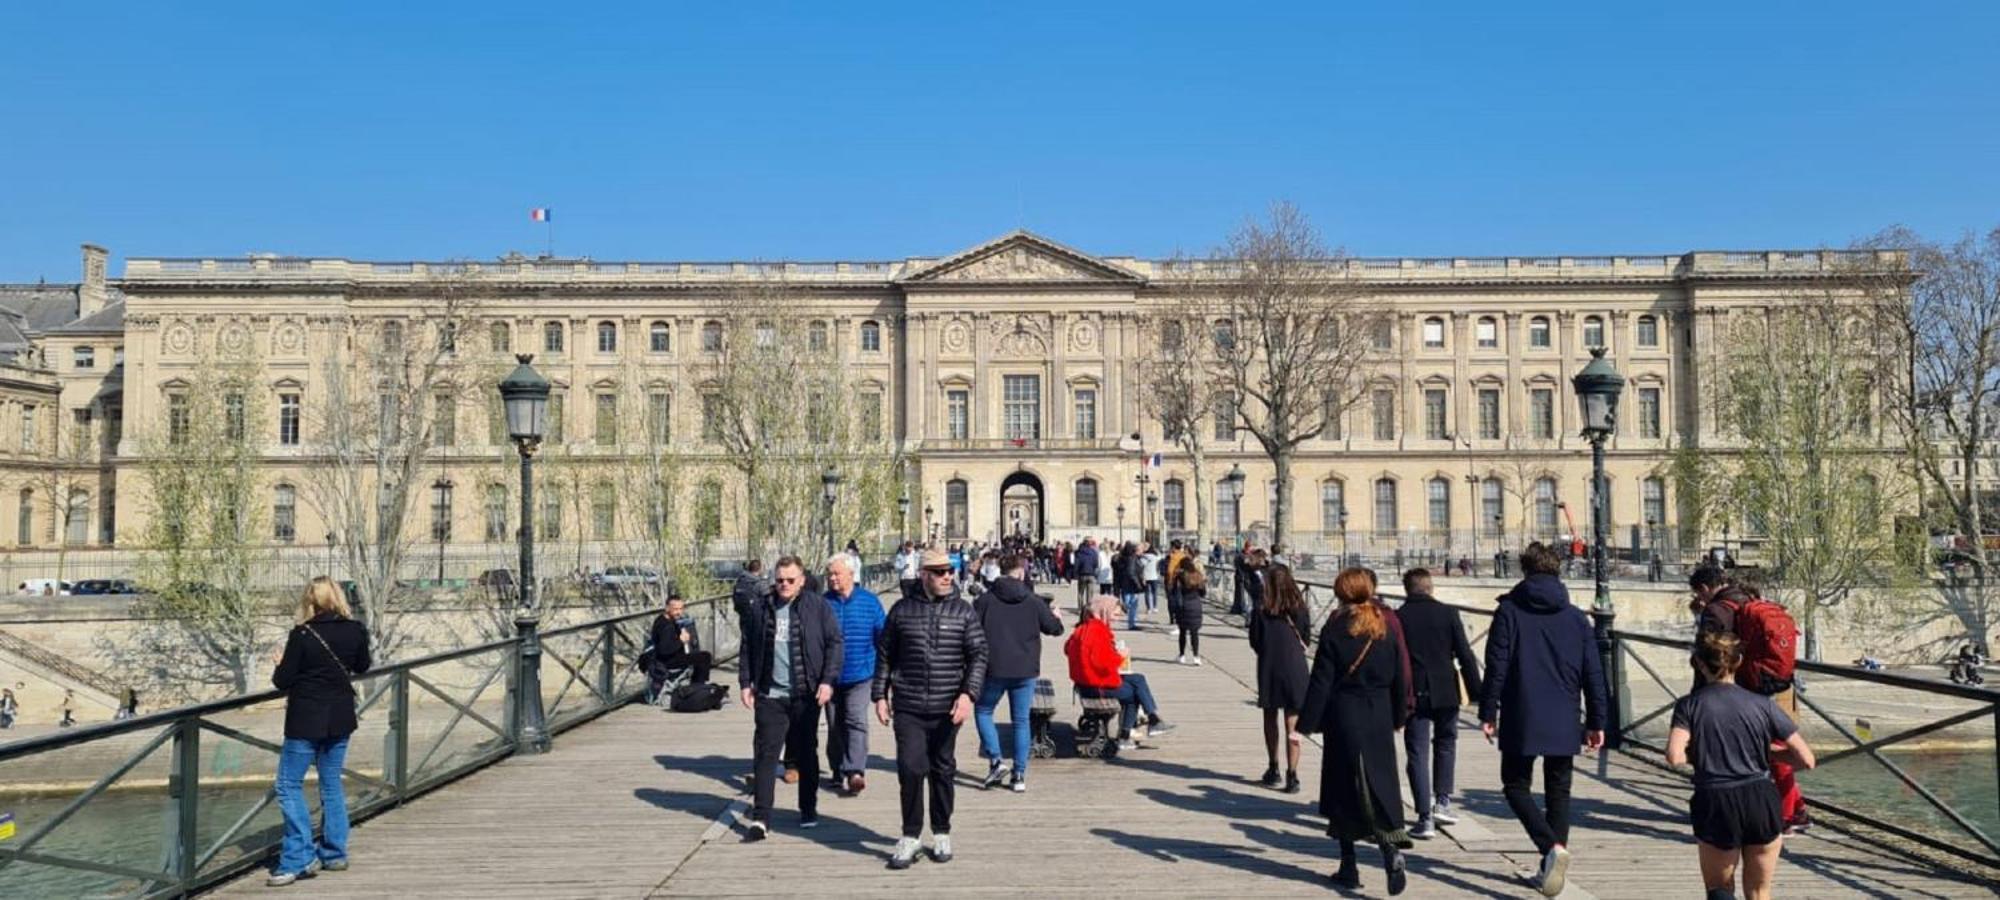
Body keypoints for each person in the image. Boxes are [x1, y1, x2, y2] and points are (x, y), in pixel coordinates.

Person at [1478, 543, 1608, 898]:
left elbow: (1497, 665)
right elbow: (1593, 673)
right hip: (1565, 712)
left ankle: (1550, 849)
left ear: (1525, 570)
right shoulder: (1576, 617)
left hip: (1522, 711)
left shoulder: (1509, 611)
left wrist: (1488, 711)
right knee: (1559, 790)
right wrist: (1598, 720)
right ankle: (1554, 853)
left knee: (1515, 785)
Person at [1668, 632, 1817, 900]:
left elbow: (1675, 756)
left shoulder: (1689, 706)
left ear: (1700, 665)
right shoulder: (1762, 704)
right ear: (1738, 662)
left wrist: (1704, 752)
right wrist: (1768, 754)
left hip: (1717, 799)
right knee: (1760, 892)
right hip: (1761, 797)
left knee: (1720, 890)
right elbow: (1806, 759)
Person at [1297, 567, 1413, 893]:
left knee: (1343, 788)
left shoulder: (1336, 629)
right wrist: (1400, 715)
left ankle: (1349, 865)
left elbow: (1321, 680)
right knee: (1381, 783)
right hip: (1378, 714)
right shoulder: (1386, 626)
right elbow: (1401, 675)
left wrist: (1307, 723)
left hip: (1344, 714)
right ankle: (1389, 851)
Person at [875, 548, 988, 870]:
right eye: (939, 572)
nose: (947, 576)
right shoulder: (901, 611)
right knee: (910, 768)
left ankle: (941, 830)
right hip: (909, 703)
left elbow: (979, 655)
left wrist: (968, 695)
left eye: (949, 571)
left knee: (942, 768)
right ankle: (910, 834)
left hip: (947, 704)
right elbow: (885, 655)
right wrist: (879, 696)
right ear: (924, 575)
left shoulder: (963, 611)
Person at [268, 577, 372, 886]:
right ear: (338, 597)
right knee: (331, 785)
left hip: (305, 720)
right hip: (340, 718)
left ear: (309, 602)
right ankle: (334, 853)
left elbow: (283, 681)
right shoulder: (355, 629)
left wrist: (280, 664)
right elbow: (363, 666)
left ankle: (297, 857)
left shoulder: (302, 634)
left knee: (288, 785)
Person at [737, 556, 842, 841]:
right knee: (765, 755)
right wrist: (746, 682)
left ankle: (807, 808)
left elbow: (834, 643)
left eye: (790, 580)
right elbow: (747, 646)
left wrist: (827, 681)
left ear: (802, 580)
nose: (784, 585)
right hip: (770, 694)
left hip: (805, 694)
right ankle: (761, 818)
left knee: (807, 753)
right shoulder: (761, 607)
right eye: (780, 580)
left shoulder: (817, 607)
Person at [1396, 568, 1483, 840]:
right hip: (1447, 689)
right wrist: (1478, 693)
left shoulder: (1398, 618)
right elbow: (1466, 656)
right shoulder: (1448, 613)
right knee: (1446, 743)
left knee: (1417, 753)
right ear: (1430, 588)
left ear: (1407, 589)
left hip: (1414, 691)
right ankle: (1443, 801)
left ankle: (1425, 818)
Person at [972, 553, 1063, 792]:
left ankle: (996, 761)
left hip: (994, 667)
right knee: (1021, 721)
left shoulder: (985, 600)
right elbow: (1055, 630)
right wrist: (1056, 616)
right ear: (1022, 572)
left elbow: (970, 632)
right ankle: (1019, 774)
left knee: (983, 711)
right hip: (1025, 668)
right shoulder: (1033, 601)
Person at [1066, 595, 1177, 750]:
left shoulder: (1083, 628)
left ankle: (1153, 720)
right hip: (1095, 686)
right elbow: (1102, 663)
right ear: (1104, 611)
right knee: (1133, 694)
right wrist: (1120, 656)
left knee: (1138, 679)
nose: (1117, 619)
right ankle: (1128, 734)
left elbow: (1068, 649)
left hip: (1085, 682)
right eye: (1115, 614)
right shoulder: (1097, 631)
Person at [824, 555, 886, 796]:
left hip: (861, 673)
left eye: (837, 574)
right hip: (830, 676)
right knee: (834, 724)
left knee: (856, 719)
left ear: (851, 574)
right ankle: (839, 769)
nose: (832, 578)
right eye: (829, 574)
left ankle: (855, 771)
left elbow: (883, 637)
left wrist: (886, 672)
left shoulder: (870, 602)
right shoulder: (823, 603)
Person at [1249, 565, 1313, 793]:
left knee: (1270, 716)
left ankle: (1273, 766)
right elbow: (1306, 636)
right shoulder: (1300, 606)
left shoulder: (1261, 609)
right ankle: (1293, 774)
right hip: (1295, 665)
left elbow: (1254, 640)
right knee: (1293, 721)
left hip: (1269, 665)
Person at [647, 594, 712, 696]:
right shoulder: (665, 626)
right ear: (667, 608)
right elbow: (664, 650)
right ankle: (697, 687)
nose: (679, 612)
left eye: (681, 609)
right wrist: (681, 641)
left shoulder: (670, 620)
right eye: (675, 609)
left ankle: (697, 686)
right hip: (666, 661)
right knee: (704, 657)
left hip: (673, 656)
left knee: (699, 656)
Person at [1173, 564, 1207, 665]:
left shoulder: (1181, 577)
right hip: (1196, 606)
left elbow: (1174, 591)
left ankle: (1182, 655)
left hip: (1184, 606)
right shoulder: (1198, 578)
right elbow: (1203, 593)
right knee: (1194, 633)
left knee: (1182, 632)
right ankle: (1196, 656)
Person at [1113, 541, 1145, 631]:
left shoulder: (1124, 558)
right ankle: (1132, 623)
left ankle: (1131, 621)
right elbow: (1131, 573)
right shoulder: (1132, 558)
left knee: (1129, 604)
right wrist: (1138, 584)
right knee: (1132, 605)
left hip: (1125, 584)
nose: (1141, 551)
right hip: (1131, 585)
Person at [732, 558, 769, 624]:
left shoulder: (740, 581)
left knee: (745, 633)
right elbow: (768, 599)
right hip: (757, 618)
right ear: (759, 569)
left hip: (743, 616)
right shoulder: (759, 583)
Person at [1140, 543, 1163, 619]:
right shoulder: (1155, 557)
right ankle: (1155, 607)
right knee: (1154, 592)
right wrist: (1157, 551)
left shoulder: (1143, 558)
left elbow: (1141, 567)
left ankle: (1148, 608)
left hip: (1146, 577)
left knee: (1147, 593)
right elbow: (1160, 557)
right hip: (1154, 576)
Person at [1073, 538, 1100, 605]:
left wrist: (1075, 574)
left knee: (1080, 593)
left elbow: (1076, 564)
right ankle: (1089, 608)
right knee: (1090, 594)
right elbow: (1096, 564)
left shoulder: (1079, 553)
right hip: (1091, 574)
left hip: (1082, 574)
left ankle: (1080, 609)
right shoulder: (1094, 552)